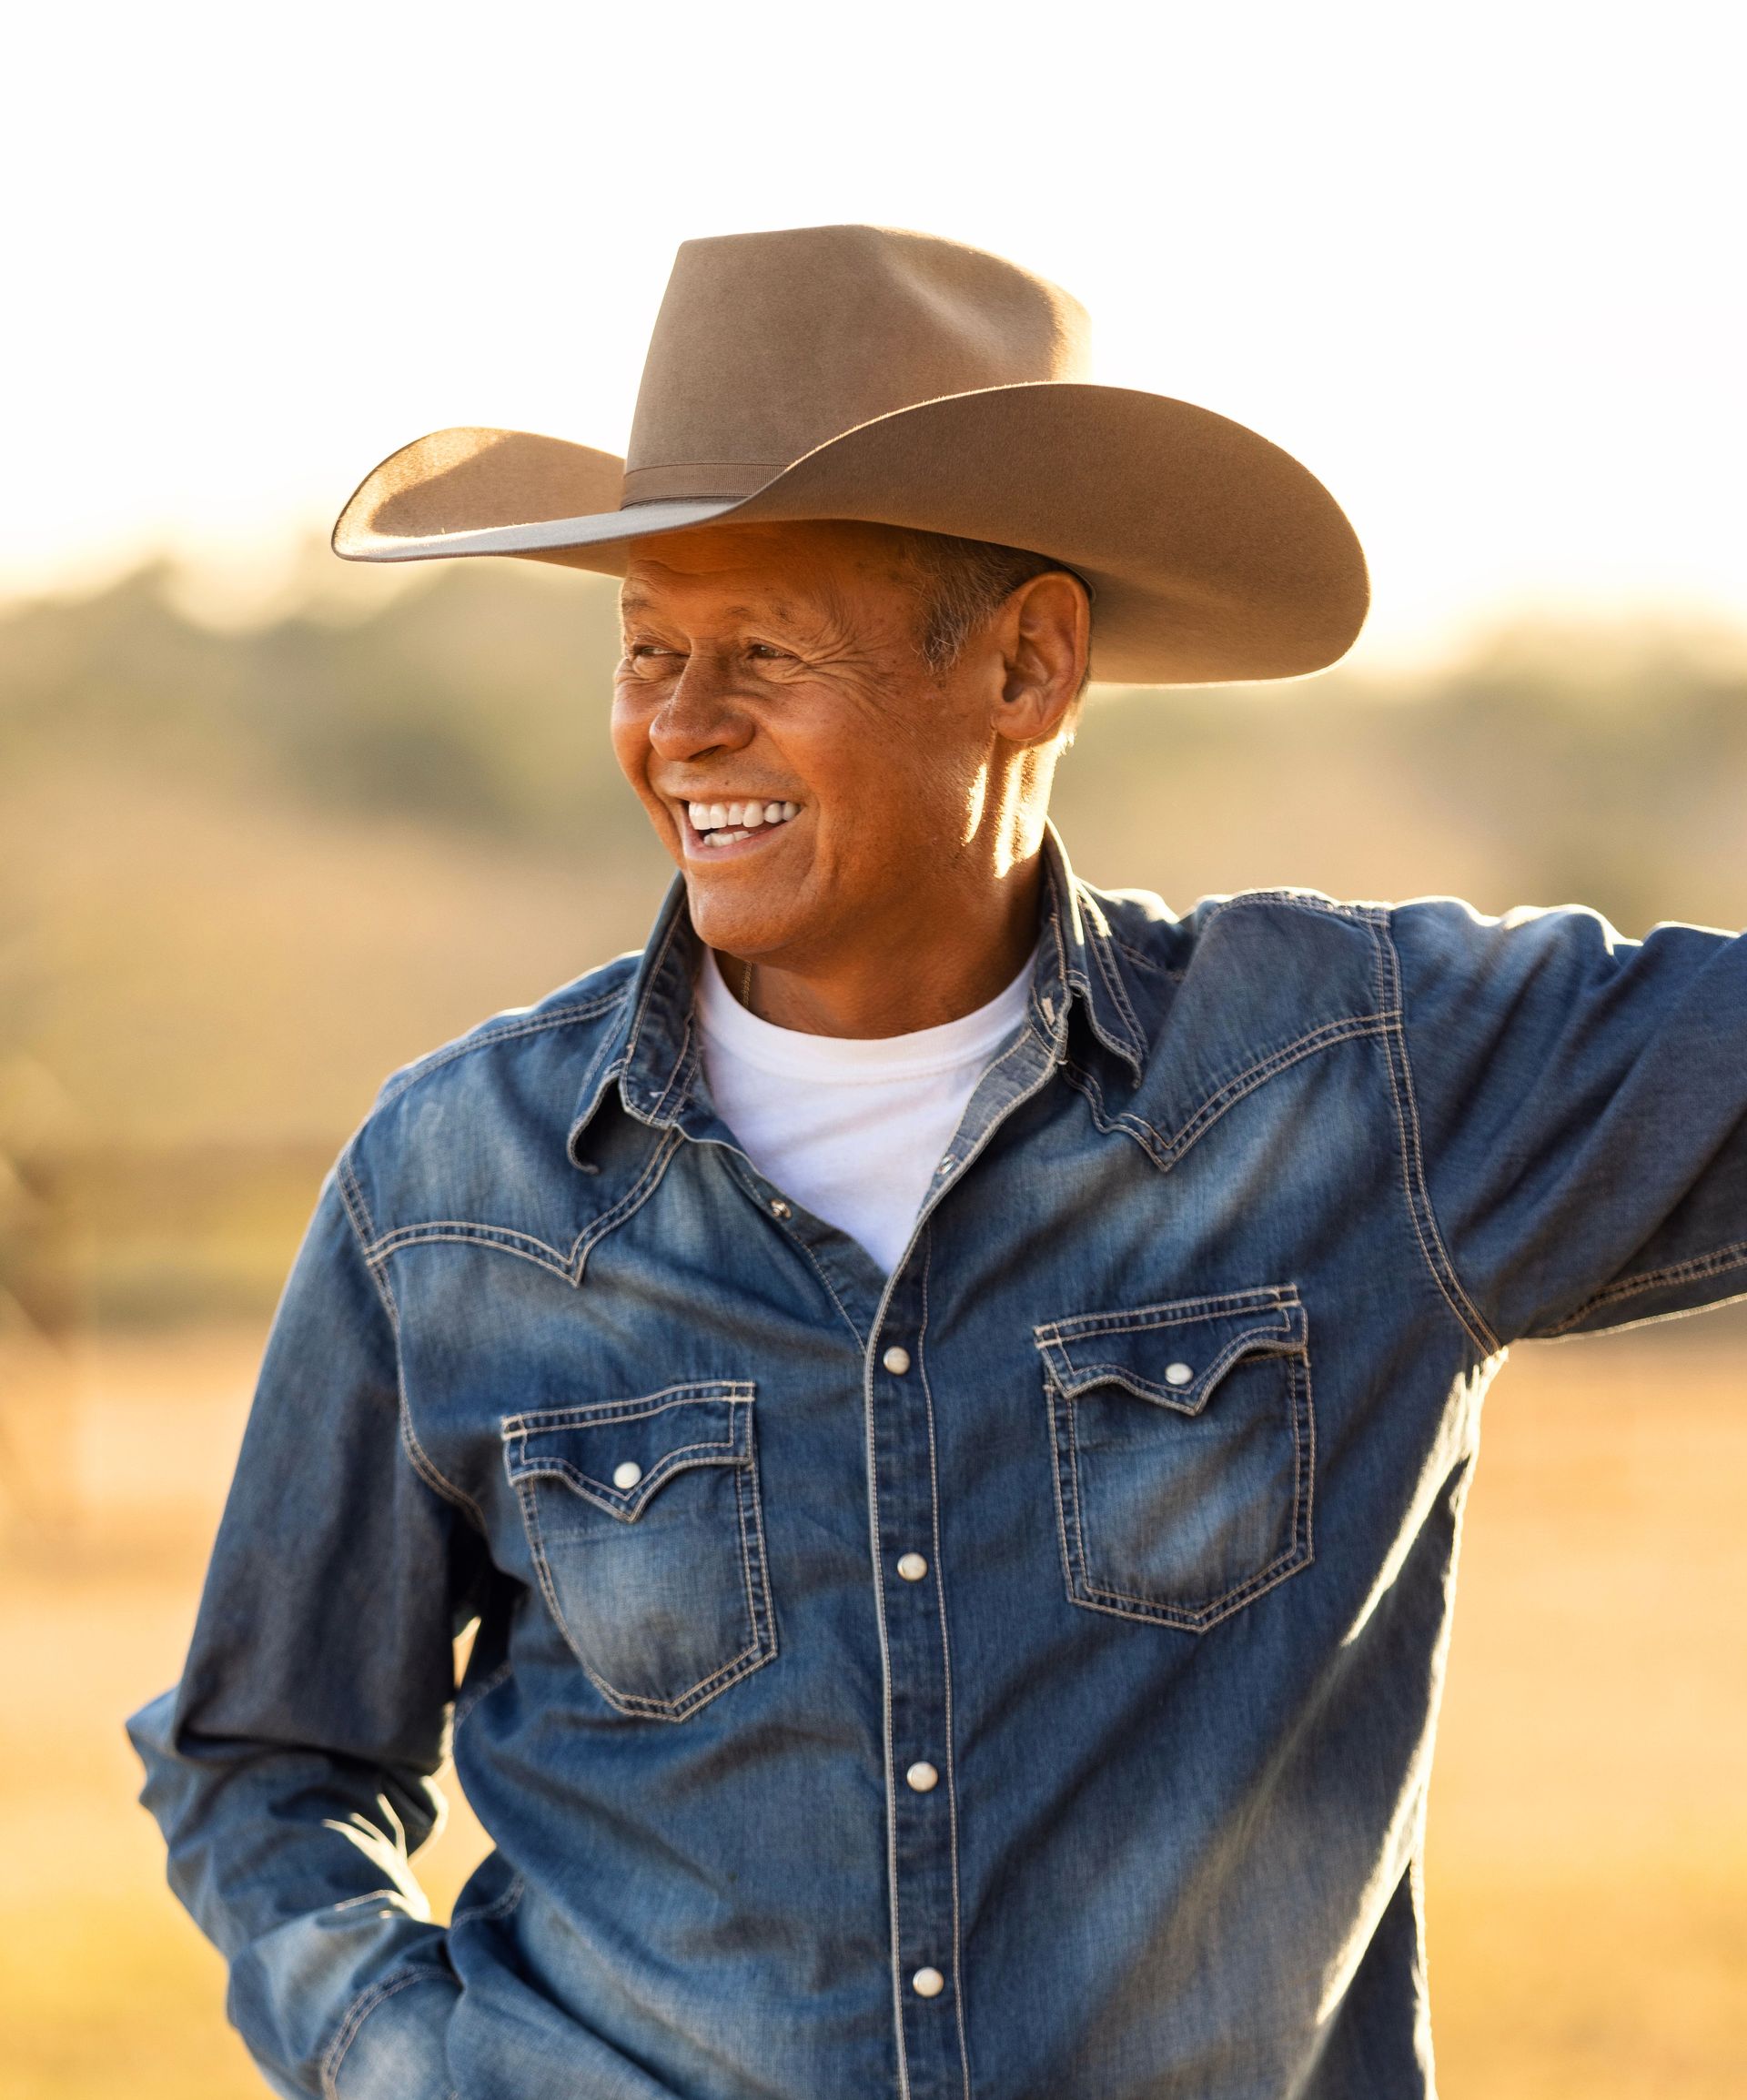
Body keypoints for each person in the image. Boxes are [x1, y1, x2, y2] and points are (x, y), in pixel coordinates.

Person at [128, 225, 1746, 2100]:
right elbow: (264, 1760)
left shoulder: (1353, 1089)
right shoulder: (456, 1185)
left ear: (1029, 666)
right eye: (648, 646)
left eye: (760, 651)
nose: (678, 725)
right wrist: (422, 2066)